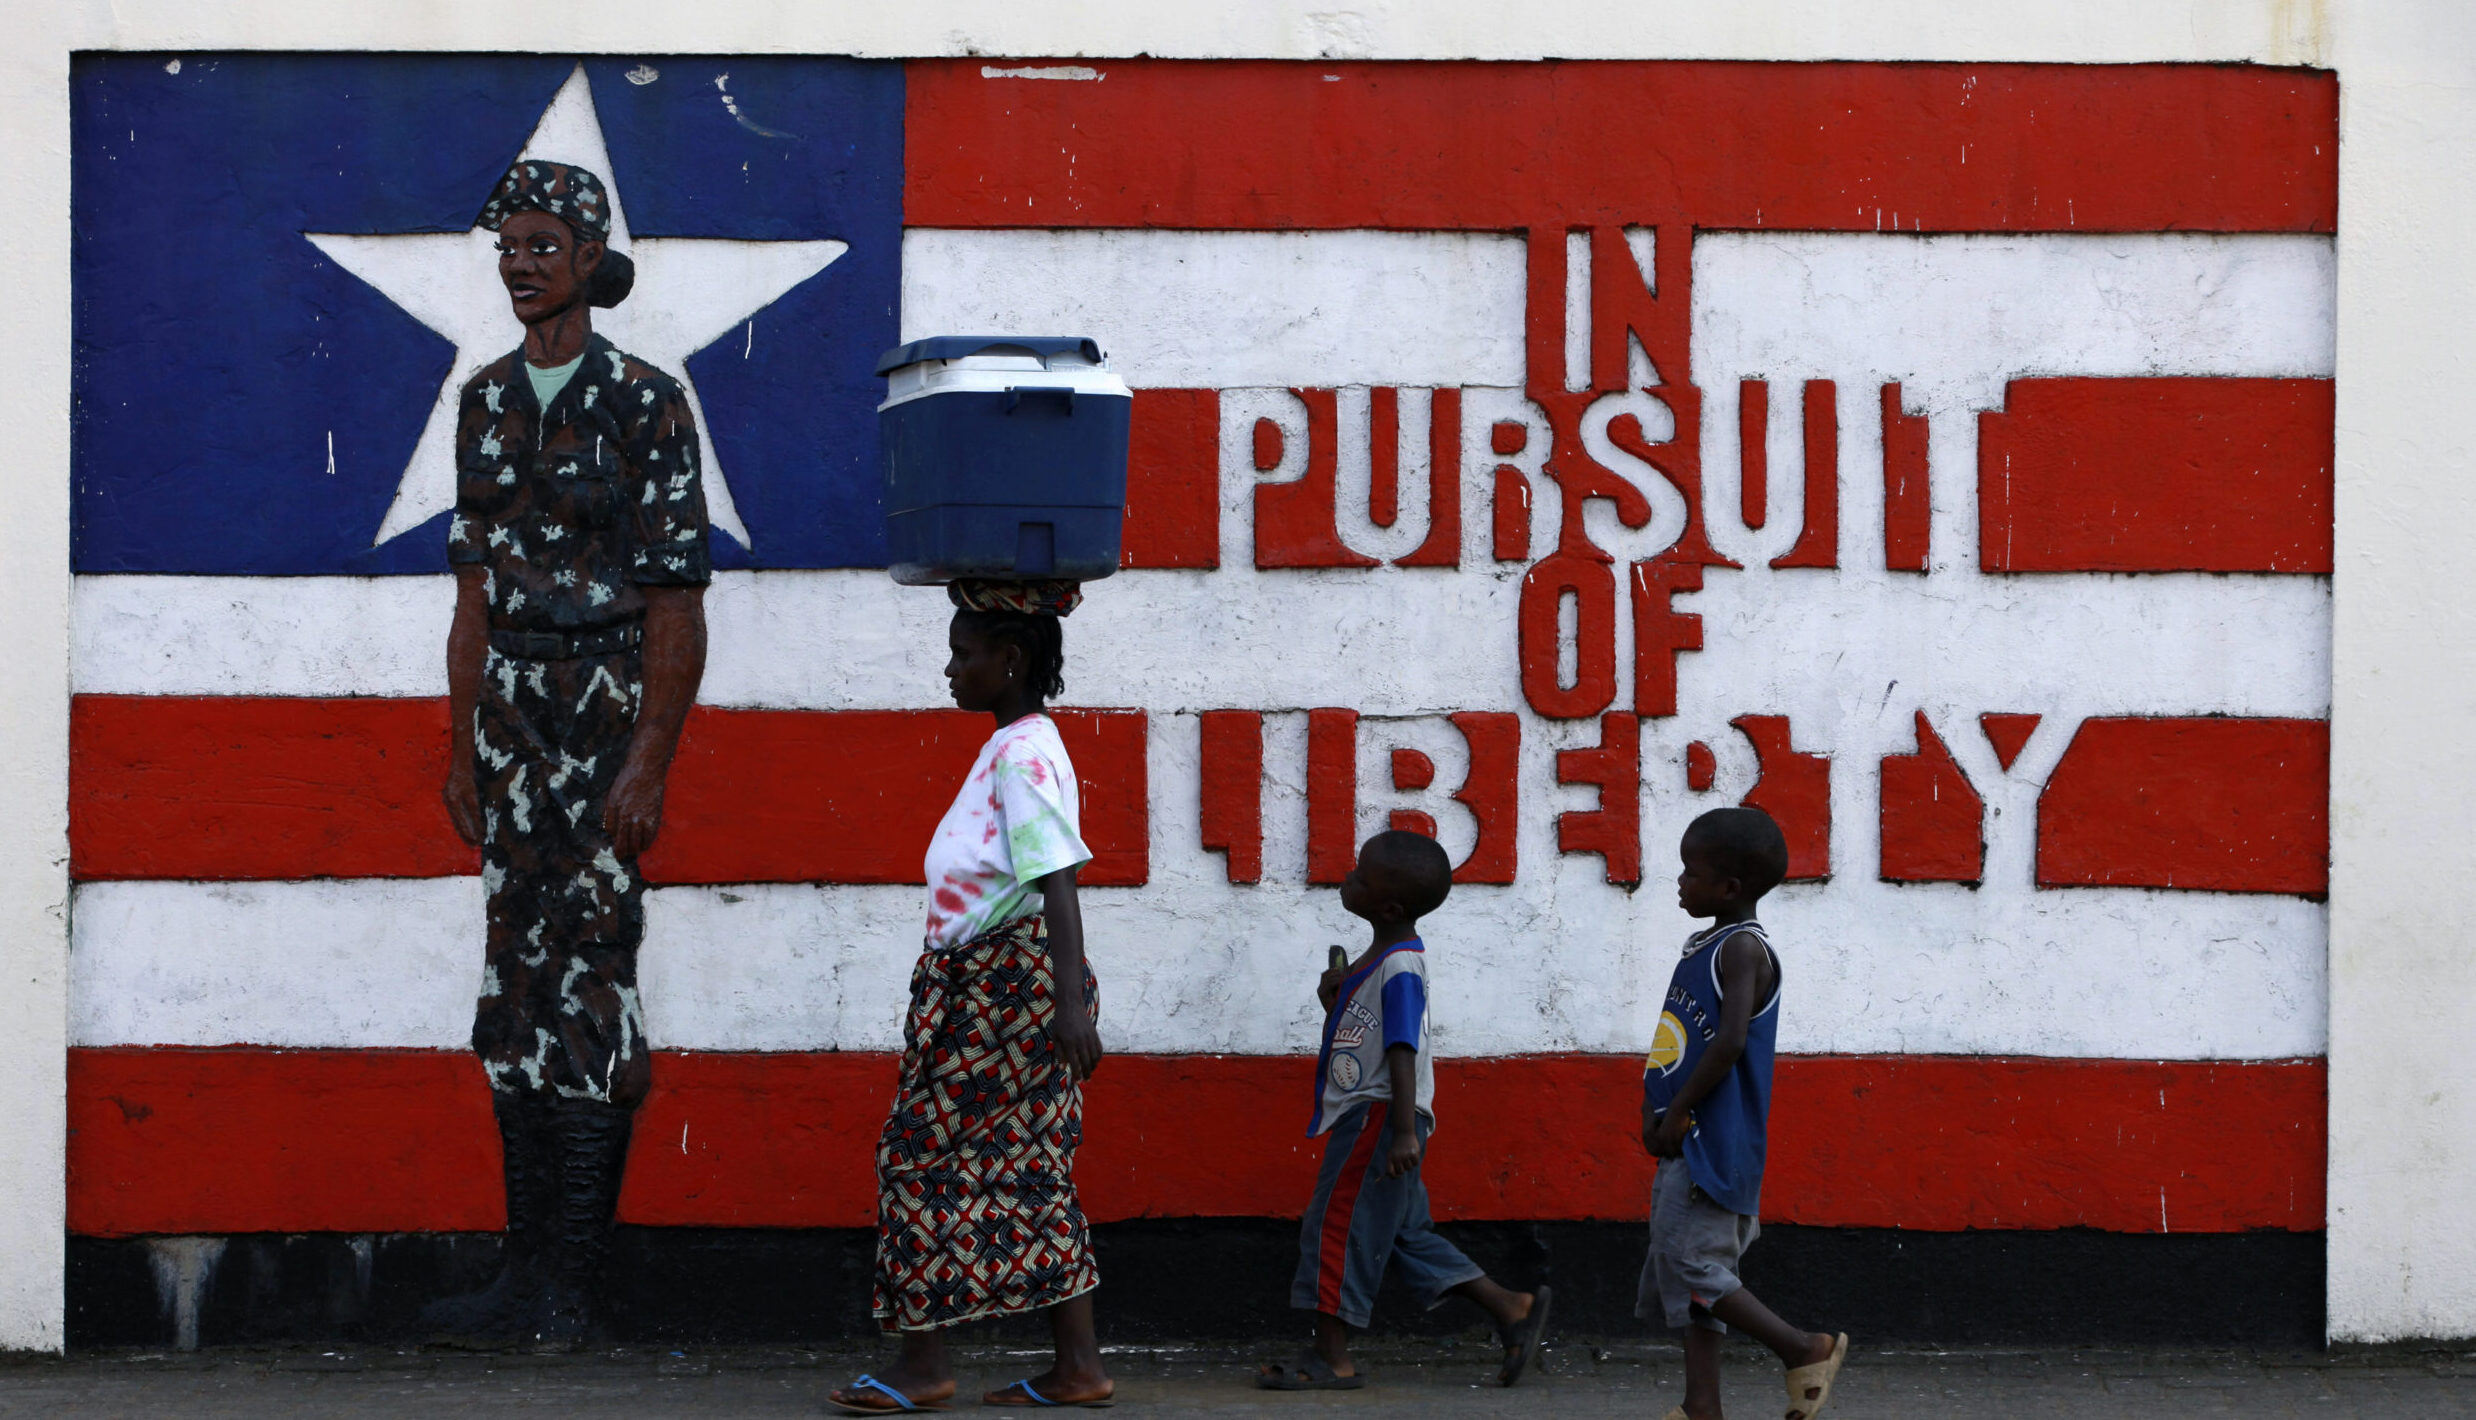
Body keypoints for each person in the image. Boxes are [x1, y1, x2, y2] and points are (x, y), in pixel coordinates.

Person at [424, 159, 711, 1348]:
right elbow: (473, 593)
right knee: (514, 984)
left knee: (591, 976)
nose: (521, 262)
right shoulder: (484, 400)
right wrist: (458, 747)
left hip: (600, 720)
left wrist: (648, 759)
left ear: (590, 259)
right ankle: (523, 1272)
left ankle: (572, 1289)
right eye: (509, 246)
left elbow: (676, 605)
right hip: (510, 722)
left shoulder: (645, 401)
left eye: (544, 243)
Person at [830, 580, 1113, 1414]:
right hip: (996, 982)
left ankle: (924, 1368)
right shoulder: (1017, 745)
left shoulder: (1024, 752)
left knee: (915, 1159)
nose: (950, 669)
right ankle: (1079, 1367)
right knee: (1030, 1167)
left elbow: (1056, 876)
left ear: (1010, 660)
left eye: (965, 654)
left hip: (1002, 986)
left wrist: (1068, 1001)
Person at [1257, 829, 1553, 1392]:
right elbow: (1366, 1037)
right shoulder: (1381, 960)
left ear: (1389, 906)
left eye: (1360, 876)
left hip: (1379, 1118)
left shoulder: (1400, 968)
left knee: (1335, 1227)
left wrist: (1399, 1132)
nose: (1349, 876)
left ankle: (1332, 1358)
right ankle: (1511, 1307)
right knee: (1401, 1232)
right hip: (1383, 1118)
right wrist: (1334, 1001)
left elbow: (1400, 1047)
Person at [1641, 807, 1847, 1420]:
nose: (1679, 881)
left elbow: (1729, 1043)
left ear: (1729, 888)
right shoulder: (1708, 945)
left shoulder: (1740, 950)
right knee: (1687, 1273)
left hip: (1712, 1138)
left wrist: (1678, 1110)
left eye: (1691, 872)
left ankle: (1802, 1348)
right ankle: (1701, 1405)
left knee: (1694, 1266)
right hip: (1689, 1134)